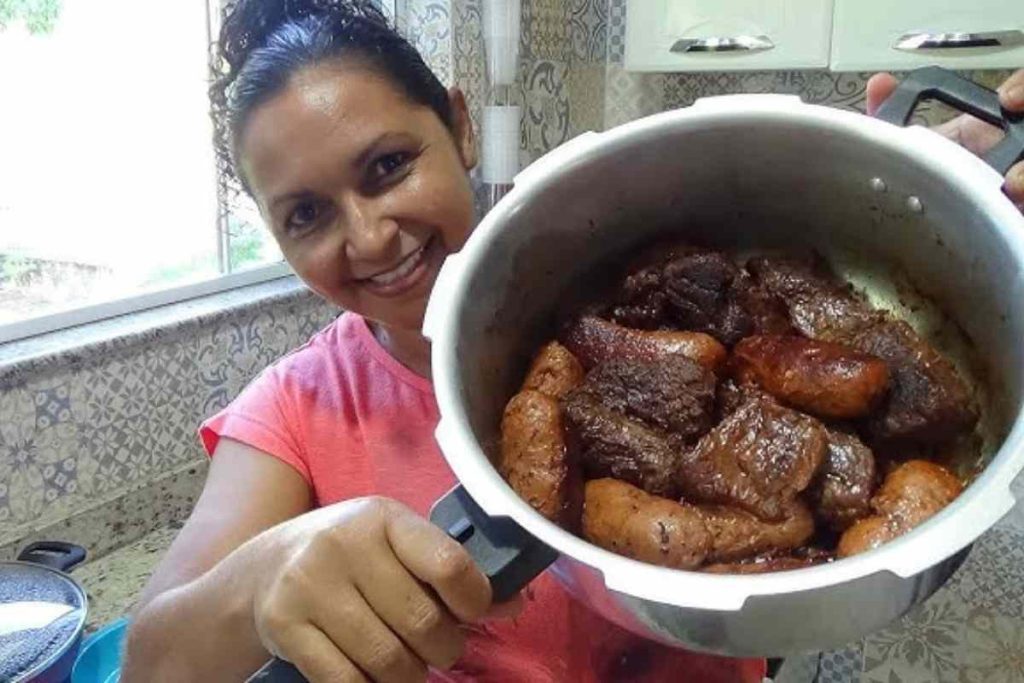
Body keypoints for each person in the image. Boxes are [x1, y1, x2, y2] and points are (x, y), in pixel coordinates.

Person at [121, 0, 1024, 679]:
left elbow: (826, 216)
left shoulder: (605, 273)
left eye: (389, 165)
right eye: (307, 215)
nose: (368, 237)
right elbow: (149, 660)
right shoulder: (295, 407)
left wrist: (950, 173)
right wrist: (265, 575)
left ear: (461, 125)